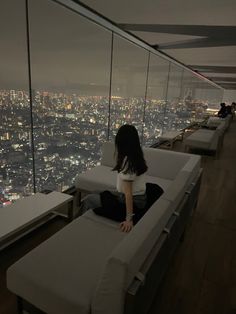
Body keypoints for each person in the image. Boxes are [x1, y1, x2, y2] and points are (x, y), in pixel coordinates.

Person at [80, 124, 148, 232]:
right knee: (96, 192)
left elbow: (128, 193)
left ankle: (81, 226)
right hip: (137, 197)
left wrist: (129, 219)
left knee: (88, 199)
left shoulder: (128, 161)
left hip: (132, 202)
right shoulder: (137, 154)